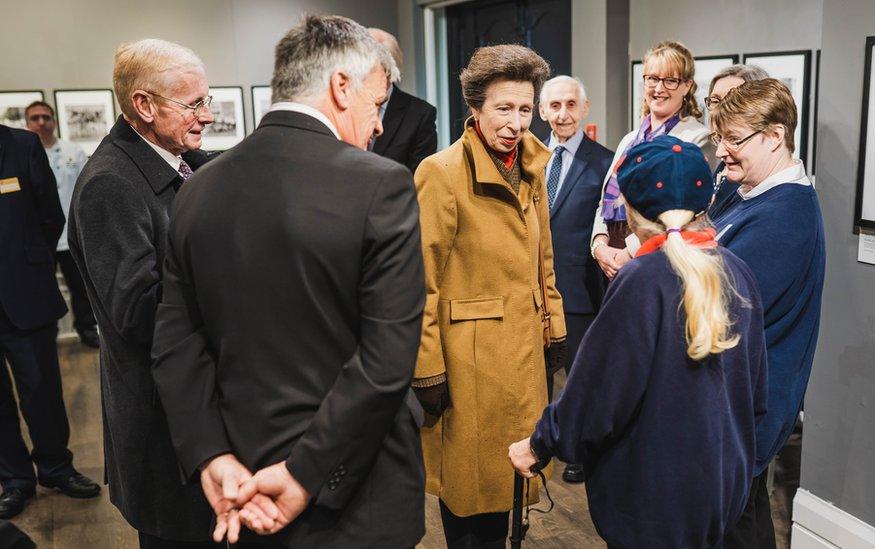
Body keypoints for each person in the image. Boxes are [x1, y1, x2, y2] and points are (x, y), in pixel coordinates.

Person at [151, 15, 426, 548]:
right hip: (356, 494)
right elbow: (387, 359)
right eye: (377, 105)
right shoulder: (382, 185)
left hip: (240, 480)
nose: (380, 127)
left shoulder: (197, 188)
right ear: (341, 87)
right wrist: (304, 471)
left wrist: (211, 454)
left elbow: (176, 343)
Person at [509, 135, 768, 547]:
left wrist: (540, 443)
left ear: (629, 209)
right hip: (719, 492)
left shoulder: (643, 280)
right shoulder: (738, 272)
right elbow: (755, 395)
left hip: (652, 501)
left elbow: (596, 398)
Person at [413, 44, 567, 548]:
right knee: (470, 500)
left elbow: (544, 260)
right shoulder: (441, 173)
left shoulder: (533, 167)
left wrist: (556, 328)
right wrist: (427, 368)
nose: (516, 122)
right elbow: (422, 281)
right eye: (504, 108)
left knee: (514, 495)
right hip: (469, 364)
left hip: (525, 356)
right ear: (475, 108)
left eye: (525, 109)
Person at [68, 39, 219, 548]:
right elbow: (139, 313)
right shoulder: (110, 185)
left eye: (208, 99)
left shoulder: (182, 159)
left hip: (195, 417)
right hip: (165, 432)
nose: (208, 115)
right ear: (144, 105)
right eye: (194, 103)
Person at [708, 79, 826, 548]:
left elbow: (719, 314)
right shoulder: (749, 194)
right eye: (719, 138)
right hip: (733, 406)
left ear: (775, 136)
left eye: (733, 139)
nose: (721, 152)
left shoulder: (784, 216)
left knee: (736, 529)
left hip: (745, 411)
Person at [0, 123, 100, 520]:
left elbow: (50, 216)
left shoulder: (21, 145)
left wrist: (27, 266)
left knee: (42, 391)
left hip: (25, 294)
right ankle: (15, 480)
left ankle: (56, 468)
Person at [537, 75, 613, 484]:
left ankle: (580, 448)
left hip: (581, 292)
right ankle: (540, 443)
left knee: (582, 378)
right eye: (554, 105)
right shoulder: (529, 156)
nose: (562, 113)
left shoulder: (606, 161)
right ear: (542, 111)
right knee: (537, 376)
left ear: (584, 109)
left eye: (570, 104)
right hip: (534, 292)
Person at [590, 41, 715, 280]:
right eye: (652, 79)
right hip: (611, 256)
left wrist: (628, 252)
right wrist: (599, 246)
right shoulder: (629, 140)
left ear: (687, 86)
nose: (659, 88)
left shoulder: (695, 139)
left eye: (670, 80)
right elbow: (604, 199)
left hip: (657, 255)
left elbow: (688, 211)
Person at [24, 101, 98, 348]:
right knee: (42, 289)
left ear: (54, 121)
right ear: (27, 122)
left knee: (80, 288)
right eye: (35, 118)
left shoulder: (72, 151)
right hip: (40, 238)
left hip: (71, 234)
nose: (41, 122)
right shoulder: (22, 154)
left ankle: (87, 330)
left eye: (46, 116)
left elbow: (86, 189)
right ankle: (48, 332)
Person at [701, 64, 770, 220]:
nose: (721, 110)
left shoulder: (754, 175)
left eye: (732, 101)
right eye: (715, 101)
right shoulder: (722, 166)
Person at [367, 27, 438, 172]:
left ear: (387, 72)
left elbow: (419, 179)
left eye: (366, 69)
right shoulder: (346, 104)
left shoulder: (420, 114)